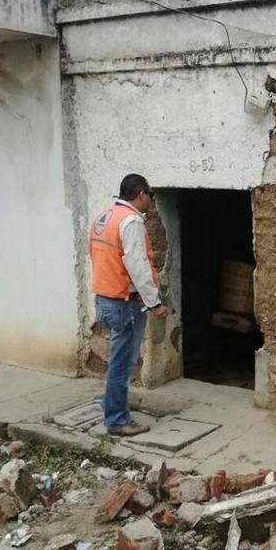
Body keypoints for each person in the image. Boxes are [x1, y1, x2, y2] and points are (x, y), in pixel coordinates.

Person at [88, 174, 168, 436]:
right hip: (124, 303)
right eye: (150, 196)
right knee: (122, 364)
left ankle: (111, 405)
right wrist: (155, 303)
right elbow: (138, 266)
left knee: (118, 360)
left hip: (104, 298)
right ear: (141, 194)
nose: (151, 201)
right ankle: (117, 420)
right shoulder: (131, 221)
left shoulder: (105, 216)